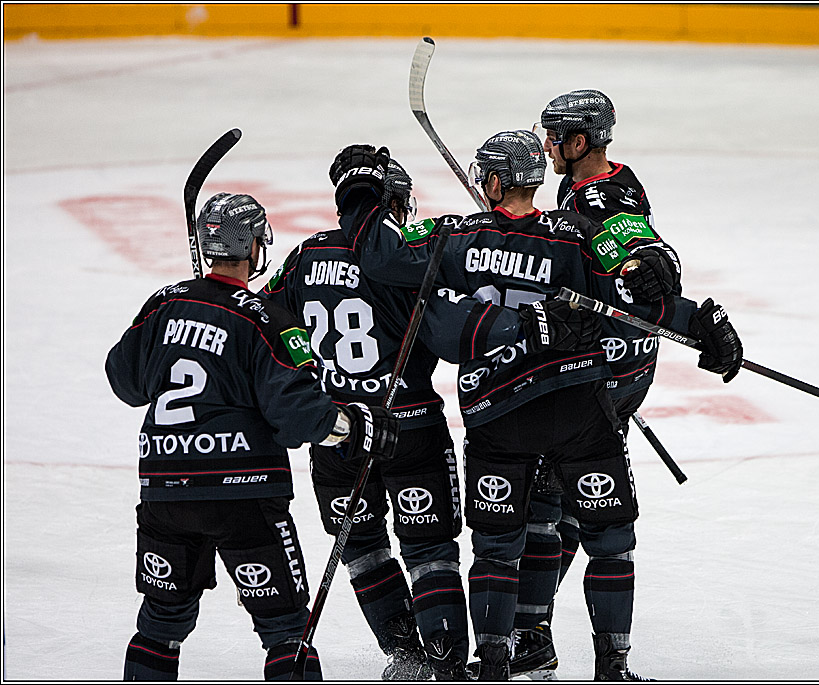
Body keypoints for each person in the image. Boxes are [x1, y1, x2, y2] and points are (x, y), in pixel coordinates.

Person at [326, 131, 742, 680]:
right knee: (610, 540)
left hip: (498, 415)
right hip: (577, 407)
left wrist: (359, 191)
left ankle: (495, 667)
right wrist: (702, 324)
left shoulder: (455, 236)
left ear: (495, 182)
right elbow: (634, 298)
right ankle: (613, 668)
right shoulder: (575, 234)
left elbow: (383, 257)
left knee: (497, 548)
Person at [105, 192, 399, 681]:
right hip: (244, 496)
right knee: (285, 629)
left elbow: (124, 380)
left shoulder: (163, 304)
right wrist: (355, 426)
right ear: (254, 247)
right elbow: (298, 416)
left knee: (160, 624)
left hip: (165, 490)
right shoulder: (267, 318)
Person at [260, 152, 470, 680]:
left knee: (362, 547)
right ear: (393, 204)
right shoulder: (407, 258)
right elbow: (449, 335)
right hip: (410, 424)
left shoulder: (306, 256)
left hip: (336, 433)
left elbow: (263, 320)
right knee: (430, 550)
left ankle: (406, 657)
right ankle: (446, 666)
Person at [509, 88, 686, 678]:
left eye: (555, 136)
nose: (546, 146)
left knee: (548, 507)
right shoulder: (606, 183)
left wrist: (650, 267)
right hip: (627, 366)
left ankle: (531, 636)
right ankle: (569, 645)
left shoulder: (598, 195)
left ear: (580, 140)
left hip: (599, 375)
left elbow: (643, 256)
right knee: (574, 501)